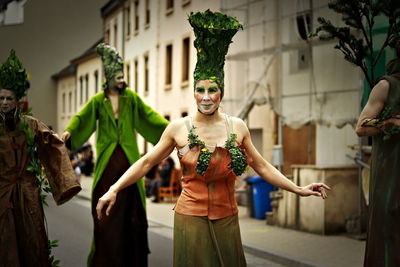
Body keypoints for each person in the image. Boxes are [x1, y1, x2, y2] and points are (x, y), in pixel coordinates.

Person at [96, 10, 330, 267]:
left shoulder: (237, 127)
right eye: (200, 90)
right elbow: (146, 162)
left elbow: (261, 165)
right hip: (190, 218)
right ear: (194, 93)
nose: (206, 97)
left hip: (227, 218)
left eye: (212, 90)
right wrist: (113, 189)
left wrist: (298, 189)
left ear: (221, 93)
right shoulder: (178, 128)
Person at [61, 43, 168, 267]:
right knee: (106, 221)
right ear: (108, 78)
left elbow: (150, 117)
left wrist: (172, 130)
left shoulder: (131, 99)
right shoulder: (98, 101)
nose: (121, 80)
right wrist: (70, 131)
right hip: (107, 167)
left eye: (122, 76)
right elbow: (82, 118)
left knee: (134, 217)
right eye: (118, 76)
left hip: (130, 166)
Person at [0, 50, 81, 267]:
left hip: (27, 193)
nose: (5, 102)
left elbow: (52, 144)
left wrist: (65, 182)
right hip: (2, 194)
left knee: (32, 242)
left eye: (9, 98)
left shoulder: (31, 124)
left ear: (17, 100)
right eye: (1, 98)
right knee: (5, 243)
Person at [355, 43, 400, 267]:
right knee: (389, 226)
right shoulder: (387, 86)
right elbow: (362, 126)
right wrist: (389, 123)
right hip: (391, 172)